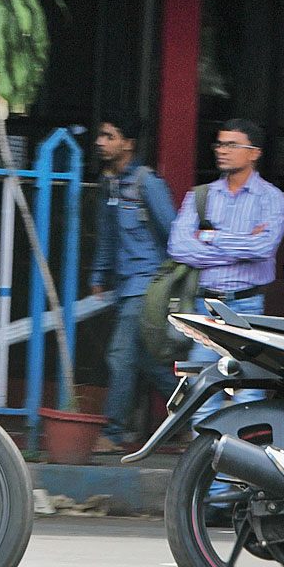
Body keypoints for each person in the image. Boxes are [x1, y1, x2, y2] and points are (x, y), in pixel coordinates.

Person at [167, 118, 284, 422]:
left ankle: (242, 466)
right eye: (219, 144)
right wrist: (241, 245)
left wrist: (210, 237)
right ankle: (206, 466)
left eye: (231, 145)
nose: (222, 151)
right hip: (203, 306)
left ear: (254, 152)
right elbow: (178, 247)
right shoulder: (200, 196)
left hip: (248, 307)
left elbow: (263, 248)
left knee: (247, 391)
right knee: (200, 391)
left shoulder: (271, 197)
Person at [89, 115, 178, 451]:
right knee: (146, 362)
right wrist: (99, 275)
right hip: (125, 287)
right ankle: (190, 413)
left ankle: (113, 434)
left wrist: (171, 284)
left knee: (120, 355)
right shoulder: (109, 184)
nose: (101, 142)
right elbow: (107, 237)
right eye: (100, 135)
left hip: (146, 286)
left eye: (108, 135)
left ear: (128, 144)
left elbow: (173, 233)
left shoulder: (147, 183)